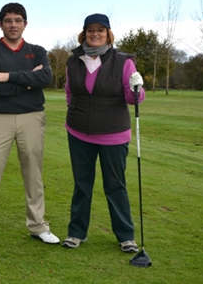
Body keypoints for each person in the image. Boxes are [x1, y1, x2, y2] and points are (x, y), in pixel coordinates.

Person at [0, 2, 60, 251]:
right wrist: (27, 80)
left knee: (34, 174)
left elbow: (45, 78)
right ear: (0, 24)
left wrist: (6, 76)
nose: (13, 24)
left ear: (25, 24)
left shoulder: (38, 51)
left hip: (32, 117)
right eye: (8, 20)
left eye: (18, 20)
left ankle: (38, 225)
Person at [62, 13, 145, 253]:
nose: (95, 34)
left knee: (115, 185)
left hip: (113, 134)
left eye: (100, 30)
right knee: (82, 184)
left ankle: (125, 235)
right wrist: (75, 112)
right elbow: (70, 92)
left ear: (108, 34)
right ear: (84, 34)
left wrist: (137, 89)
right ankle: (76, 232)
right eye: (90, 30)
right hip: (78, 133)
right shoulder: (73, 61)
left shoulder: (123, 61)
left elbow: (132, 98)